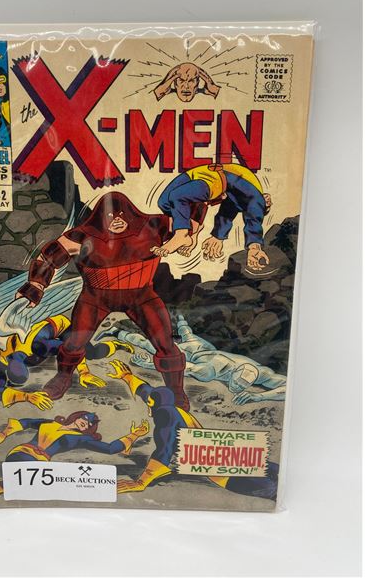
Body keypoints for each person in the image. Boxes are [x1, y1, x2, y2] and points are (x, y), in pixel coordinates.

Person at [15, 192, 190, 410]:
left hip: (142, 296)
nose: (117, 220)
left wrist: (187, 235)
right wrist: (36, 285)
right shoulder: (83, 235)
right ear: (100, 218)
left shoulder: (153, 226)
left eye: (121, 214)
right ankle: (63, 377)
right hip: (95, 298)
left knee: (165, 343)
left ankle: (176, 391)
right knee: (74, 342)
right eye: (110, 216)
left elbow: (189, 221)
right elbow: (48, 258)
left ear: (130, 214)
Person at [106, 360, 279, 500]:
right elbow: (147, 392)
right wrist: (127, 376)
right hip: (235, 457)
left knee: (274, 492)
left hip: (228, 474)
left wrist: (141, 482)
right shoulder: (168, 406)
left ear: (155, 404)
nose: (147, 405)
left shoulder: (164, 415)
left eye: (149, 403)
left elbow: (164, 450)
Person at [98, 314, 286, 404]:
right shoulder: (209, 371)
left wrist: (259, 396)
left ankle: (179, 319)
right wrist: (150, 364)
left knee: (186, 332)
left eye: (241, 385)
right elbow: (182, 366)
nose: (236, 388)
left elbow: (287, 387)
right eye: (237, 383)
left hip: (205, 349)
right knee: (150, 344)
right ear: (234, 373)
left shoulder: (261, 372)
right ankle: (115, 331)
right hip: (192, 352)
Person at [0, 410, 149, 500]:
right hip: (20, 453)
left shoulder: (81, 438)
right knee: (26, 483)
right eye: (86, 419)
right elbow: (24, 423)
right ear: (77, 416)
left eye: (90, 425)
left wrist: (134, 435)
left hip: (39, 463)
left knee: (29, 485)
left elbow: (110, 448)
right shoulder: (50, 423)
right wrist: (2, 434)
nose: (87, 423)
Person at [0, 314, 135, 410]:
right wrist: (27, 396)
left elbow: (72, 350)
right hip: (32, 333)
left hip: (59, 326)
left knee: (91, 353)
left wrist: (84, 372)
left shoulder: (38, 347)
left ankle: (115, 344)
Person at [155, 163, 272, 271]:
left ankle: (182, 234)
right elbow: (250, 220)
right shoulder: (256, 198)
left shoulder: (251, 201)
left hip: (215, 179)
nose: (268, 201)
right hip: (207, 174)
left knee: (177, 196)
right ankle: (192, 229)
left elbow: (232, 217)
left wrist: (254, 248)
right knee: (164, 202)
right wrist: (218, 237)